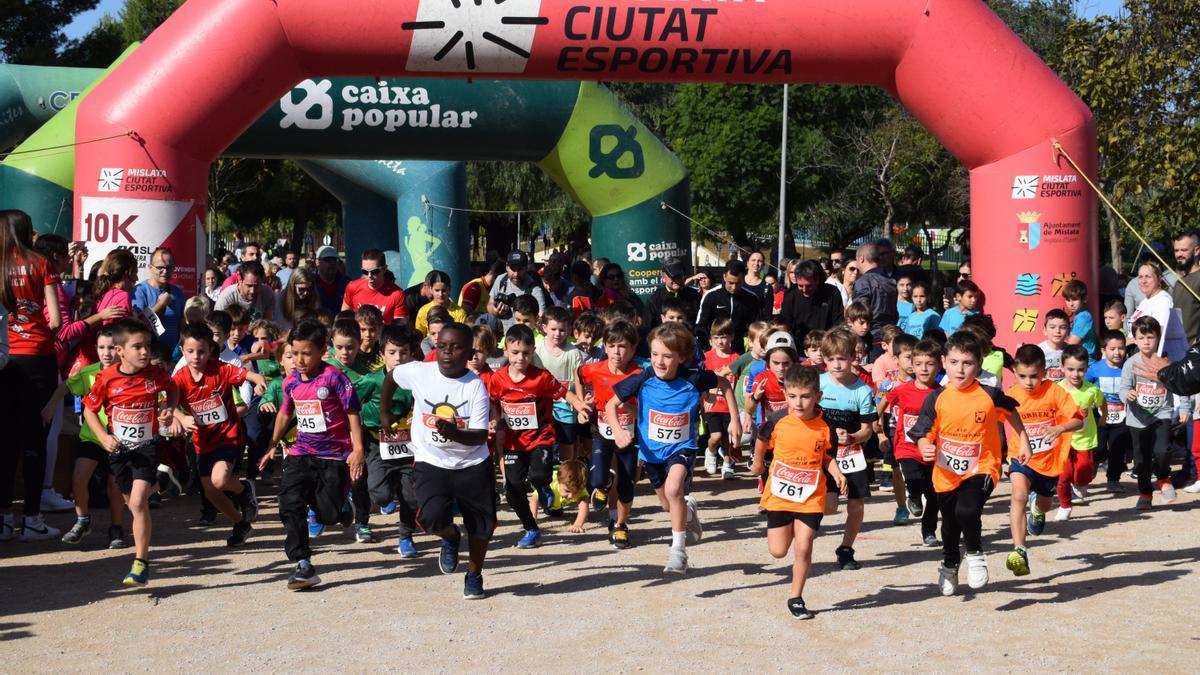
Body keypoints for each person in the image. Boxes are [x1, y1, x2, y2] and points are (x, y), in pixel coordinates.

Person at [608, 322, 742, 574]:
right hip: (651, 451)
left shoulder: (693, 378)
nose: (659, 361)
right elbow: (611, 405)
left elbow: (723, 383)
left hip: (682, 447)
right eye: (655, 354)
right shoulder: (643, 379)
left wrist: (735, 420)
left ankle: (678, 552)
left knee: (674, 487)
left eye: (667, 356)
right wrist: (618, 431)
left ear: (681, 357)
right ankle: (689, 511)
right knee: (669, 503)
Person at [381, 322, 494, 599]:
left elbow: (479, 436)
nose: (447, 353)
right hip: (431, 460)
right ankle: (451, 537)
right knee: (429, 519)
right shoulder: (421, 371)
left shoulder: (475, 387)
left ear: (469, 352)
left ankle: (474, 575)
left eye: (455, 348)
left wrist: (456, 432)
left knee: (481, 526)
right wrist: (385, 413)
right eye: (442, 346)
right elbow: (392, 377)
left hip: (471, 464)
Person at [909, 332, 1027, 596]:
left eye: (967, 363)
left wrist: (1024, 439)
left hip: (982, 466)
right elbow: (922, 431)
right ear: (943, 362)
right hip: (946, 472)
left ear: (979, 365)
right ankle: (950, 563)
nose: (960, 369)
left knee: (968, 510)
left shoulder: (990, 395)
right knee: (949, 525)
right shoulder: (936, 398)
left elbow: (1012, 412)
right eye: (953, 362)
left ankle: (975, 555)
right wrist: (924, 446)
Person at [262, 319, 364, 590]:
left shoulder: (334, 378)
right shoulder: (291, 381)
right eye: (294, 353)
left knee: (329, 515)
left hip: (332, 457)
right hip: (300, 453)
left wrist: (358, 450)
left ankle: (342, 505)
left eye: (306, 353)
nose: (299, 360)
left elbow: (353, 413)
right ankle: (303, 563)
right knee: (289, 503)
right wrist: (272, 444)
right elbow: (285, 413)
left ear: (322, 350)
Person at [81, 319, 179, 586]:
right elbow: (89, 409)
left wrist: (169, 408)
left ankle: (141, 562)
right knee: (133, 504)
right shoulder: (106, 378)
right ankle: (161, 482)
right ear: (120, 351)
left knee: (137, 502)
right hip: (119, 450)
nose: (145, 352)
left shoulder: (156, 374)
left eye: (147, 345)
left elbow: (173, 389)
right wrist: (103, 437)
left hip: (147, 447)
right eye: (138, 347)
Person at [751, 364, 845, 620]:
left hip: (811, 497)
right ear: (786, 394)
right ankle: (788, 527)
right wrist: (758, 463)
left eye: (805, 396)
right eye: (792, 396)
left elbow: (827, 456)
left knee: (803, 547)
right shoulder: (777, 419)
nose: (798, 403)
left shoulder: (826, 425)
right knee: (778, 551)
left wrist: (836, 472)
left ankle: (796, 597)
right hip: (780, 496)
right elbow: (761, 439)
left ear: (818, 396)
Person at [173, 322, 267, 547]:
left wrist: (259, 382)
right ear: (183, 350)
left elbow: (247, 375)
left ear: (210, 350)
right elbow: (171, 404)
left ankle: (244, 490)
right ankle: (240, 523)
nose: (196, 356)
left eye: (202, 351)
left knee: (219, 479)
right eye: (190, 351)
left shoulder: (221, 369)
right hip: (203, 442)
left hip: (228, 435)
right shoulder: (180, 379)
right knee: (212, 492)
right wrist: (182, 417)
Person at [0, 209, 63, 541]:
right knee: (35, 439)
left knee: (5, 440)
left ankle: (4, 519)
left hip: (4, 359)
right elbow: (55, 320)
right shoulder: (41, 263)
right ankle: (33, 519)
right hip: (38, 357)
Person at [489, 324, 581, 549]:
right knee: (512, 492)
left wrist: (579, 404)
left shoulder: (541, 377)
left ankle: (544, 487)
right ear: (506, 352)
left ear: (533, 352)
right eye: (515, 353)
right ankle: (531, 528)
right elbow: (492, 402)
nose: (521, 358)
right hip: (514, 442)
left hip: (540, 437)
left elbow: (564, 392)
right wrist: (494, 420)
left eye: (526, 353)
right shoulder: (498, 379)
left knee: (539, 475)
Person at [1003, 345, 1084, 577]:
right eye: (1022, 376)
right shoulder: (1011, 395)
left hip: (1049, 463)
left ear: (1044, 373)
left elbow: (1078, 420)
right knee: (1018, 494)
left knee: (1045, 503)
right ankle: (1019, 549)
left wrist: (1060, 427)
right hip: (1021, 457)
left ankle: (1037, 510)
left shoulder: (1054, 392)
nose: (1028, 382)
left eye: (1034, 376)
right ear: (1015, 373)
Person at [47, 327, 128, 548]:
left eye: (111, 348)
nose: (106, 353)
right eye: (102, 347)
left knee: (115, 485)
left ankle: (116, 527)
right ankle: (83, 520)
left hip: (118, 439)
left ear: (120, 350)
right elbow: (66, 385)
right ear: (95, 349)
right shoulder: (88, 372)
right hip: (92, 436)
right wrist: (51, 405)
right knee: (79, 476)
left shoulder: (129, 373)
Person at [577, 320, 643, 548]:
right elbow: (579, 375)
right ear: (604, 346)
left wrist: (629, 409)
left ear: (633, 349)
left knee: (626, 485)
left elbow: (645, 408)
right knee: (596, 479)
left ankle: (620, 526)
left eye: (623, 346)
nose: (617, 352)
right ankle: (605, 486)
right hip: (601, 433)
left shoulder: (639, 374)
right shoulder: (594, 369)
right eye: (612, 345)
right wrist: (582, 406)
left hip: (628, 436)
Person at [816, 330, 877, 570]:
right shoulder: (818, 383)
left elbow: (867, 431)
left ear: (854, 357)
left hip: (852, 455)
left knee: (856, 505)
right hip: (824, 454)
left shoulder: (862, 391)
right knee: (829, 507)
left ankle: (846, 549)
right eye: (831, 359)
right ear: (824, 359)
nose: (837, 364)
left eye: (842, 358)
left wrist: (852, 438)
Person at [360, 324, 419, 556]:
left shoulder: (417, 379)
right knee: (381, 495)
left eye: (403, 352)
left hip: (409, 447)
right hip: (377, 446)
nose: (398, 358)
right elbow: (352, 406)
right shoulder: (372, 380)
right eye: (392, 352)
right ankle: (388, 487)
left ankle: (406, 537)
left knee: (411, 498)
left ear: (411, 353)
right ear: (382, 351)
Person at [883, 339, 942, 547]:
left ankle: (929, 531)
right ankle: (913, 496)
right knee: (913, 478)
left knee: (934, 495)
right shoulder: (902, 390)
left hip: (933, 451)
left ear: (939, 365)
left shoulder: (942, 394)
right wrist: (876, 425)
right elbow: (884, 401)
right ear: (912, 366)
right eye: (919, 364)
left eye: (930, 364)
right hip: (906, 447)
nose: (924, 369)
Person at [1121, 316, 1183, 509]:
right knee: (1141, 459)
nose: (1146, 341)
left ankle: (1164, 478)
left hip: (1161, 414)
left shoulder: (1166, 363)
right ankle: (1145, 492)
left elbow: (1181, 385)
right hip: (1137, 419)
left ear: (1158, 338)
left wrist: (1186, 408)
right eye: (1141, 337)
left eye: (1150, 336)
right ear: (1135, 339)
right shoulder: (1131, 363)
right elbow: (1123, 388)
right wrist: (1128, 394)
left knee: (1162, 450)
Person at [1056, 344, 1106, 520]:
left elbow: (1102, 401)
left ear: (1086, 369)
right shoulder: (1057, 390)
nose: (1075, 374)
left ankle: (1080, 483)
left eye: (1080, 370)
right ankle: (1064, 506)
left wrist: (1103, 416)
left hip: (1084, 438)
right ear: (1062, 368)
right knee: (1064, 476)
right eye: (1070, 369)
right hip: (1062, 440)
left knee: (1083, 469)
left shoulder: (1091, 390)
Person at [1088, 329, 1131, 490]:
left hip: (1121, 416)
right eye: (1112, 349)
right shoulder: (1095, 368)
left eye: (1121, 348)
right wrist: (1089, 399)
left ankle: (1113, 479)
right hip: (1100, 416)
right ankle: (1094, 462)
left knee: (1117, 449)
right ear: (1103, 351)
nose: (1117, 352)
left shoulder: (1129, 367)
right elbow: (1084, 385)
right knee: (1098, 449)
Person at [1129, 260, 1188, 362]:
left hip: (1152, 358)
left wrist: (1130, 341)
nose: (1143, 281)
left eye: (1148, 276)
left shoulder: (1162, 301)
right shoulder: (1145, 301)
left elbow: (1161, 330)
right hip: (1137, 354)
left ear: (1159, 279)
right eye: (1141, 277)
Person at [696, 259, 761, 351]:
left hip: (740, 349)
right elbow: (700, 324)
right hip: (714, 349)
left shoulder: (751, 298)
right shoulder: (711, 296)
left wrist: (749, 339)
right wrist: (709, 342)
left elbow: (756, 325)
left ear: (743, 278)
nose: (734, 287)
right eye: (731, 283)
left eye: (738, 283)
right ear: (724, 277)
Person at [703, 318, 739, 479]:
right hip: (712, 404)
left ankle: (726, 463)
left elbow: (738, 383)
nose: (720, 341)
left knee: (728, 438)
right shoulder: (707, 357)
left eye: (724, 336)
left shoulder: (736, 358)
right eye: (716, 337)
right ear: (711, 340)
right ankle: (710, 451)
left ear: (732, 337)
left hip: (729, 406)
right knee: (716, 436)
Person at [778, 259, 844, 347]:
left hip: (826, 345)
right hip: (798, 347)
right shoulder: (791, 296)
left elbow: (838, 322)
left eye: (809, 286)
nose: (804, 290)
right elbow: (785, 323)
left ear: (817, 281)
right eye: (800, 286)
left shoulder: (832, 293)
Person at [132, 247, 186, 353]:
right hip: (149, 356)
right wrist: (161, 304)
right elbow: (137, 325)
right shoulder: (139, 291)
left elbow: (182, 326)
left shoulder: (178, 293)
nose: (165, 271)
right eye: (160, 267)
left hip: (172, 358)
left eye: (169, 267)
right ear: (150, 268)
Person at [342, 249, 408, 325]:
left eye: (374, 272)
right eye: (365, 272)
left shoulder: (397, 294)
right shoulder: (352, 287)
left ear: (384, 269)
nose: (369, 276)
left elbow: (400, 328)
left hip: (384, 336)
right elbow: (344, 319)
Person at [488, 250, 550, 331]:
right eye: (513, 269)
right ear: (507, 267)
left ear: (526, 268)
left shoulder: (534, 289)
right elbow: (490, 304)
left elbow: (541, 317)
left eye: (520, 269)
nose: (516, 274)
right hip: (502, 337)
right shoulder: (501, 280)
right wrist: (495, 311)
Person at [852, 240, 899, 341]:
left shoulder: (863, 282)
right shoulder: (891, 281)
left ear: (861, 259)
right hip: (890, 334)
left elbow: (860, 314)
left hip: (870, 336)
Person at [644, 257, 702, 330]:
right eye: (673, 277)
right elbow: (648, 328)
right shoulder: (654, 300)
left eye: (679, 276)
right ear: (663, 278)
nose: (677, 280)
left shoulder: (694, 295)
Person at [414, 270, 467, 335]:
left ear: (449, 289)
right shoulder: (423, 311)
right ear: (431, 289)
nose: (440, 294)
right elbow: (419, 337)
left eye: (444, 290)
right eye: (437, 290)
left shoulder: (459, 313)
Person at [275, 266, 318, 332]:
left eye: (309, 289)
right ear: (292, 286)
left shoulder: (313, 297)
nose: (306, 293)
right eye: (301, 289)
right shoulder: (278, 300)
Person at [314, 246, 351, 314]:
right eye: (327, 260)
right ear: (317, 262)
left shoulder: (347, 283)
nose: (332, 263)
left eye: (334, 260)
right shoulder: (311, 282)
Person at [1038, 310, 1070, 383]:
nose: (1057, 331)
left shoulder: (1072, 351)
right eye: (1052, 327)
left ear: (1068, 330)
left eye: (1062, 327)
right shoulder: (1038, 351)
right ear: (1045, 330)